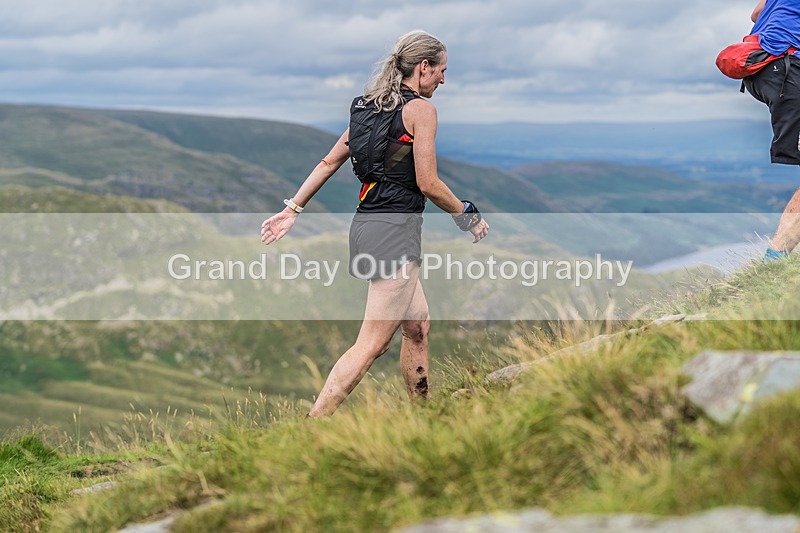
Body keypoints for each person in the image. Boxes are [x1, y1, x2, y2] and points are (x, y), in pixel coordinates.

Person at [260, 30, 490, 417]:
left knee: (417, 326)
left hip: (367, 227)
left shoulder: (369, 109)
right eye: (442, 71)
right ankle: (311, 426)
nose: (444, 80)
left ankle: (424, 415)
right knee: (371, 343)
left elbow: (328, 162)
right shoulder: (421, 111)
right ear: (423, 67)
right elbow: (428, 182)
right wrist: (466, 214)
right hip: (395, 233)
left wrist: (292, 209)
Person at [743, 0, 800, 260]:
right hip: (788, 69)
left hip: (761, 69)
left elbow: (757, 13)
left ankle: (775, 260)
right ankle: (775, 258)